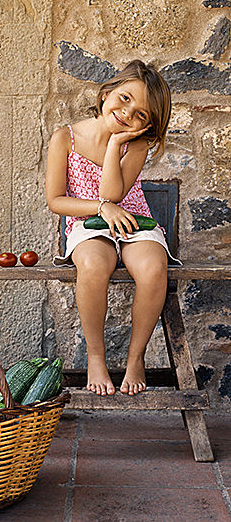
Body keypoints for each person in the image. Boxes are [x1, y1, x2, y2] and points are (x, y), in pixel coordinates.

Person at [45, 59, 180, 397]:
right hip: (87, 222)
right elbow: (57, 201)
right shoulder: (65, 138)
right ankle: (96, 356)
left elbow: (113, 193)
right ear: (106, 93)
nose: (128, 113)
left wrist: (113, 145)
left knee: (153, 267)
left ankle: (136, 358)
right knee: (93, 264)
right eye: (124, 98)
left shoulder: (136, 145)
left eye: (142, 115)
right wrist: (102, 210)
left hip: (132, 217)